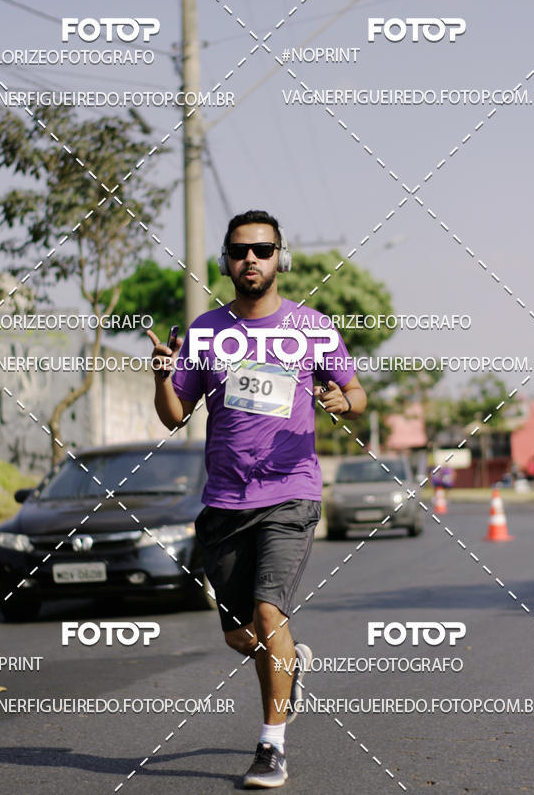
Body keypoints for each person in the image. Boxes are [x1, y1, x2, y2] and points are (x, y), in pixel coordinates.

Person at [147, 209, 366, 788]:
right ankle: (289, 664)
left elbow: (357, 391)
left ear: (280, 258)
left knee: (270, 615)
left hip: (291, 494)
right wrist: (162, 376)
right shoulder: (203, 332)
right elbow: (175, 416)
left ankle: (271, 747)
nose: (252, 259)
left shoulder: (312, 327)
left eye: (263, 250)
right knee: (240, 634)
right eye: (241, 251)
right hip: (223, 502)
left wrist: (341, 403)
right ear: (226, 260)